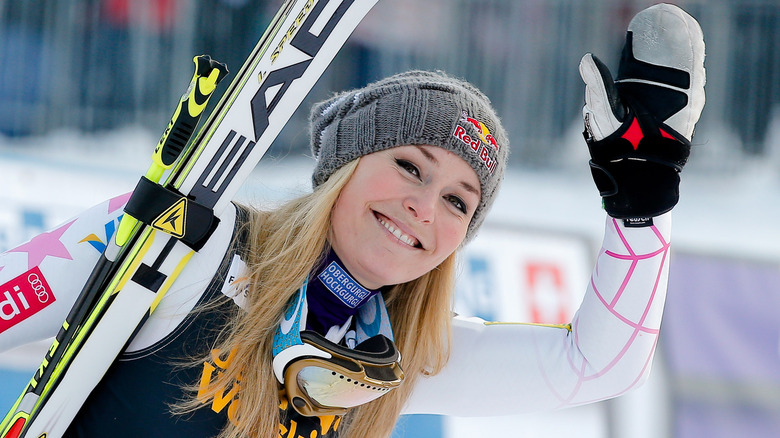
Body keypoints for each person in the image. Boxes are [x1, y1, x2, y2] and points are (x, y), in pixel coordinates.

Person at [0, 3, 705, 438]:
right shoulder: (194, 244)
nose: (424, 209)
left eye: (460, 201)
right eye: (410, 166)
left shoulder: (394, 359)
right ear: (344, 165)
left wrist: (641, 207)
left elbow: (598, 366)